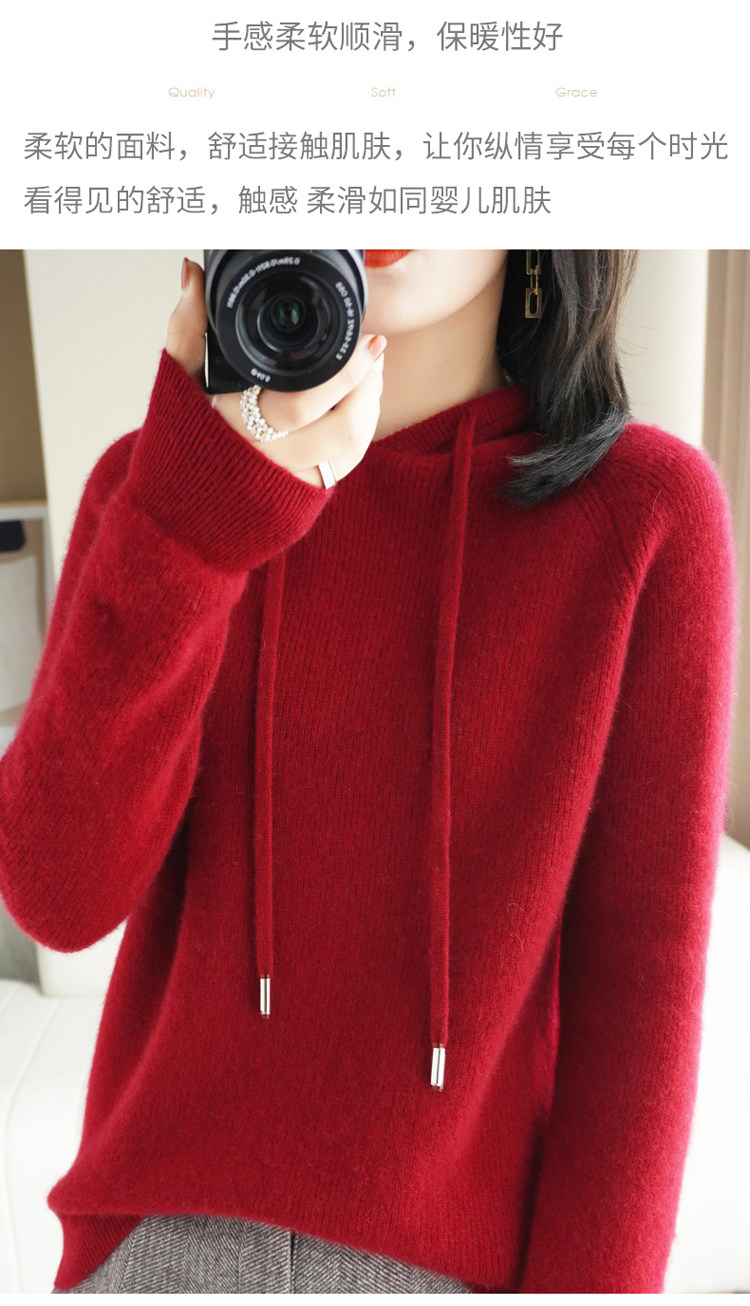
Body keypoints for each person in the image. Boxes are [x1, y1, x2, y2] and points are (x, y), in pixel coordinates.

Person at [0, 250, 739, 1294]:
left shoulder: (644, 513)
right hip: (159, 1246)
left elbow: (640, 997)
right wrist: (194, 519)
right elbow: (57, 894)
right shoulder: (157, 487)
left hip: (455, 1270)